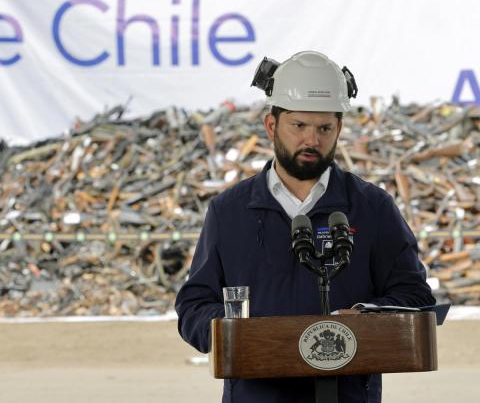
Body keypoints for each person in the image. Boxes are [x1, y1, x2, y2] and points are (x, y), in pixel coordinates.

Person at [175, 51, 434, 403]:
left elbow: (415, 298)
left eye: (324, 128)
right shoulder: (229, 211)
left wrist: (364, 319)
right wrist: (237, 334)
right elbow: (194, 305)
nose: (312, 140)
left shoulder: (372, 208)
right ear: (271, 126)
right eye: (299, 126)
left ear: (338, 129)